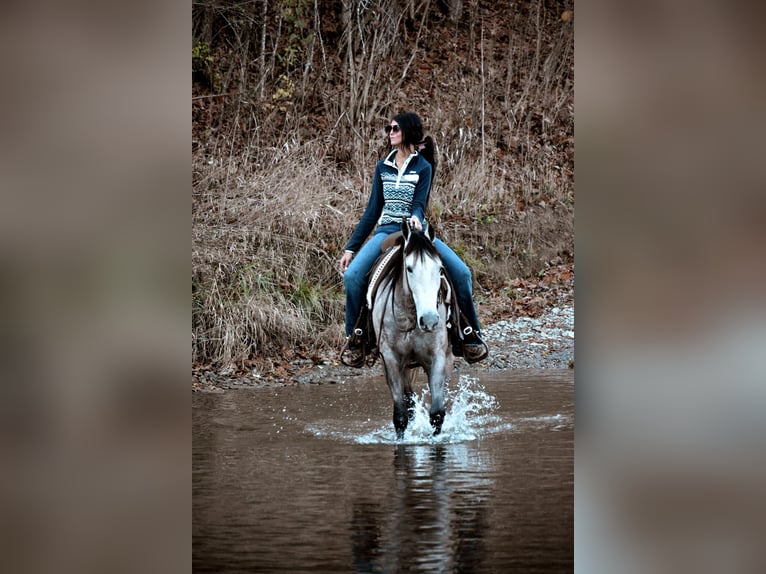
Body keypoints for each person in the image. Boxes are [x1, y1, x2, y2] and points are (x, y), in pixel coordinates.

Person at [339, 112, 489, 367]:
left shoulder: (423, 167)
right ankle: (356, 339)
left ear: (407, 131)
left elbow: (420, 203)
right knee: (353, 277)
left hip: (416, 232)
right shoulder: (382, 166)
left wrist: (417, 219)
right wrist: (350, 248)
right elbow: (372, 211)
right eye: (389, 128)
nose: (390, 132)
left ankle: (470, 334)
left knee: (462, 273)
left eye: (395, 128)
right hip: (386, 231)